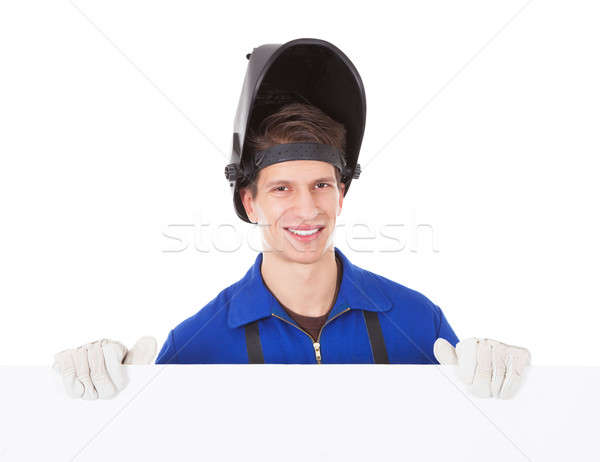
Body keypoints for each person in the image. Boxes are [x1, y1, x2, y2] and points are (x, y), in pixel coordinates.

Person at [53, 38, 531, 401]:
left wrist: (507, 395)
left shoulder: (417, 321)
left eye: (321, 185)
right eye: (282, 188)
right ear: (249, 202)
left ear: (342, 194)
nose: (307, 209)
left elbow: (464, 439)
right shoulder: (197, 344)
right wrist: (100, 403)